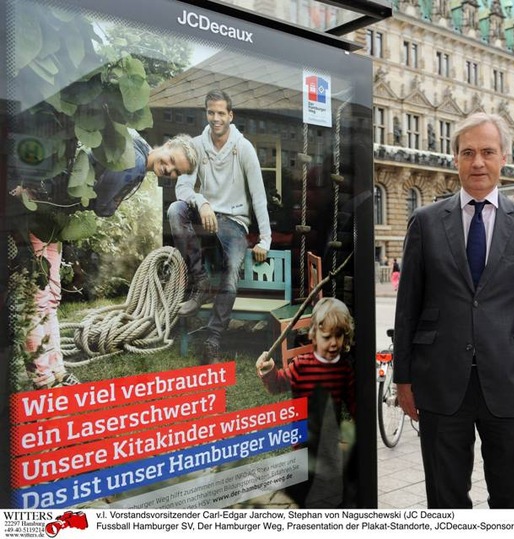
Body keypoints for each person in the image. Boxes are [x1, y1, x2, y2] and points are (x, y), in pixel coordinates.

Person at [393, 112, 514, 509]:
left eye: (487, 152)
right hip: (440, 385)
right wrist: (404, 379)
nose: (477, 162)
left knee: (512, 500)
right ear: (455, 160)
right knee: (445, 502)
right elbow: (408, 306)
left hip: (513, 385)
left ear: (504, 157)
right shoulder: (426, 222)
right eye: (468, 153)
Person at [11, 133, 198, 389]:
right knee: (39, 298)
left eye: (177, 171)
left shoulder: (135, 143)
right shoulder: (135, 161)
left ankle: (57, 371)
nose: (169, 170)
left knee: (51, 297)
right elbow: (103, 205)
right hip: (39, 207)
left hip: (52, 214)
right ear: (167, 145)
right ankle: (44, 379)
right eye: (172, 160)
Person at [168, 89, 272, 363]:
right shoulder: (196, 146)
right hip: (206, 216)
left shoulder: (244, 148)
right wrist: (201, 202)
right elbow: (183, 188)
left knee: (231, 272)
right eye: (211, 112)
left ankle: (212, 339)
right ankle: (200, 281)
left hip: (234, 223)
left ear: (230, 115)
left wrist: (265, 240)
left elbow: (259, 196)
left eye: (221, 113)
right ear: (206, 113)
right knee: (176, 210)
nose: (216, 118)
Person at [255, 296, 356, 507]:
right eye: (327, 336)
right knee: (305, 490)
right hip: (302, 443)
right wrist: (268, 370)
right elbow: (277, 385)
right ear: (314, 336)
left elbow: (354, 403)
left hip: (329, 442)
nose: (334, 343)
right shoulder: (301, 365)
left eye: (339, 336)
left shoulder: (343, 370)